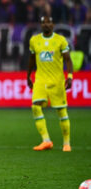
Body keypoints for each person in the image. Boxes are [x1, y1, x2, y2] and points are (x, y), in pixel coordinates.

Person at [27, 16, 73, 152]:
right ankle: (46, 140)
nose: (46, 25)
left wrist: (69, 76)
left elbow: (68, 60)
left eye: (49, 22)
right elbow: (31, 59)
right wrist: (28, 75)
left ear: (53, 25)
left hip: (57, 81)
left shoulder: (60, 40)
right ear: (41, 25)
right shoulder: (34, 41)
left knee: (61, 110)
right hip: (40, 80)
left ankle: (66, 143)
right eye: (43, 22)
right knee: (35, 107)